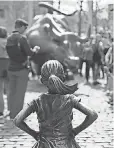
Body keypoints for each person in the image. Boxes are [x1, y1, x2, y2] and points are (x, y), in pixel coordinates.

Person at [14, 60, 98, 148]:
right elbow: (93, 115)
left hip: (44, 144)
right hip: (67, 144)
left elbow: (17, 120)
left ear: (42, 80)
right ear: (63, 78)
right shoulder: (70, 99)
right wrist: (75, 131)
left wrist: (34, 134)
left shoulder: (37, 101)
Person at [6, 19, 40, 119]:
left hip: (11, 68)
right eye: (25, 27)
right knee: (20, 92)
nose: (25, 30)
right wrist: (35, 50)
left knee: (11, 91)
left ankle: (11, 111)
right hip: (21, 68)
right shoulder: (22, 38)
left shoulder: (9, 38)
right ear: (20, 27)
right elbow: (29, 53)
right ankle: (17, 113)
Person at [0, 26, 9, 117]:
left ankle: (1, 110)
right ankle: (11, 109)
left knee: (0, 90)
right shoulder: (9, 42)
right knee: (10, 89)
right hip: (8, 64)